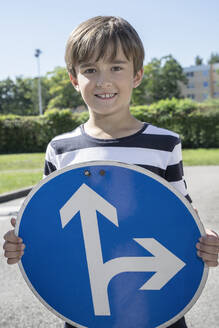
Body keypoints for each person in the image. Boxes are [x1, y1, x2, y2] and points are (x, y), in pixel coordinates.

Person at [3, 16, 219, 328]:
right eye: (90, 69)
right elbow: (48, 221)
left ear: (137, 75)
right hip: (85, 303)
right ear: (74, 79)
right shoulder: (60, 149)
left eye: (116, 67)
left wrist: (205, 240)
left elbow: (181, 215)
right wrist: (22, 241)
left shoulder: (164, 144)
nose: (103, 80)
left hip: (155, 300)